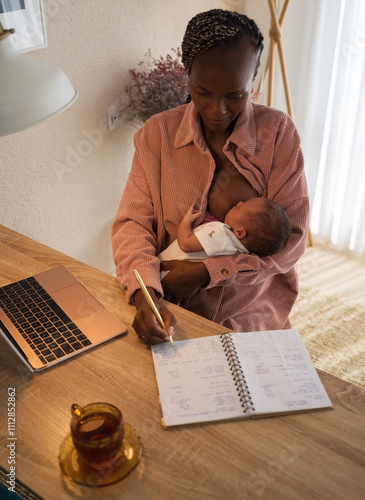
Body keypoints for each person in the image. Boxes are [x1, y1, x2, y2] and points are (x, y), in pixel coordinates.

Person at [112, 9, 309, 345]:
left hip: (254, 310)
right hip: (173, 306)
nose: (218, 110)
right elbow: (133, 225)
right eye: (203, 92)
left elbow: (291, 240)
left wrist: (209, 272)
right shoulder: (156, 135)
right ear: (187, 75)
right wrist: (146, 294)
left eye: (235, 95)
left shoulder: (277, 133)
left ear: (253, 82)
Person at [159, 198, 292, 276]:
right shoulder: (241, 254)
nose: (239, 202)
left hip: (162, 271)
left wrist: (186, 221)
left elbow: (185, 244)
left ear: (240, 232)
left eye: (240, 208)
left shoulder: (221, 234)